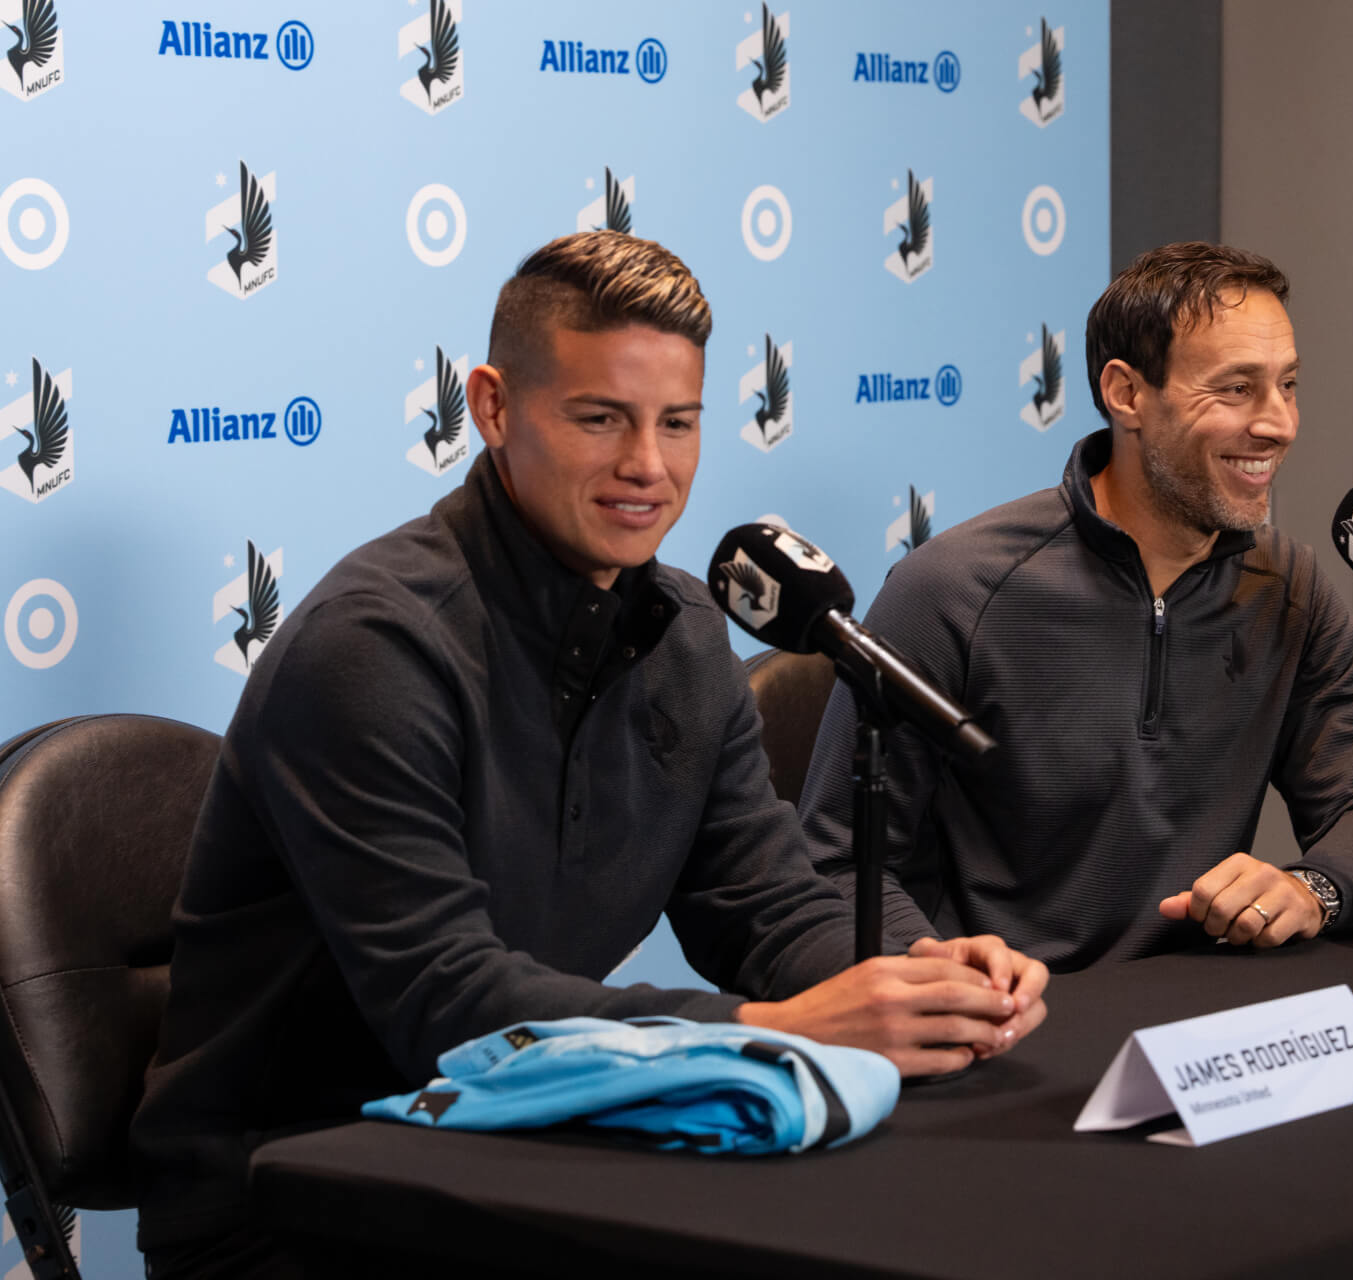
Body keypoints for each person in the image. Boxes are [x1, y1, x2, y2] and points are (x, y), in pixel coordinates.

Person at [132, 232, 1047, 1277]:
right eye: (600, 418)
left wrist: (905, 976)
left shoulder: (690, 632)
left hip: (511, 1145)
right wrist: (771, 1026)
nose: (646, 468)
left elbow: (765, 901)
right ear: (491, 406)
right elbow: (447, 997)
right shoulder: (373, 645)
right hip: (294, 1190)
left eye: (678, 423)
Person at [800, 242, 1353, 971]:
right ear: (1126, 394)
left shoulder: (1287, 588)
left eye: (1287, 385)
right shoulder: (951, 590)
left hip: (1202, 1021)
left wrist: (1311, 887)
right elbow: (840, 865)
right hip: (1015, 1021)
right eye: (1235, 390)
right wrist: (946, 973)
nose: (1279, 423)